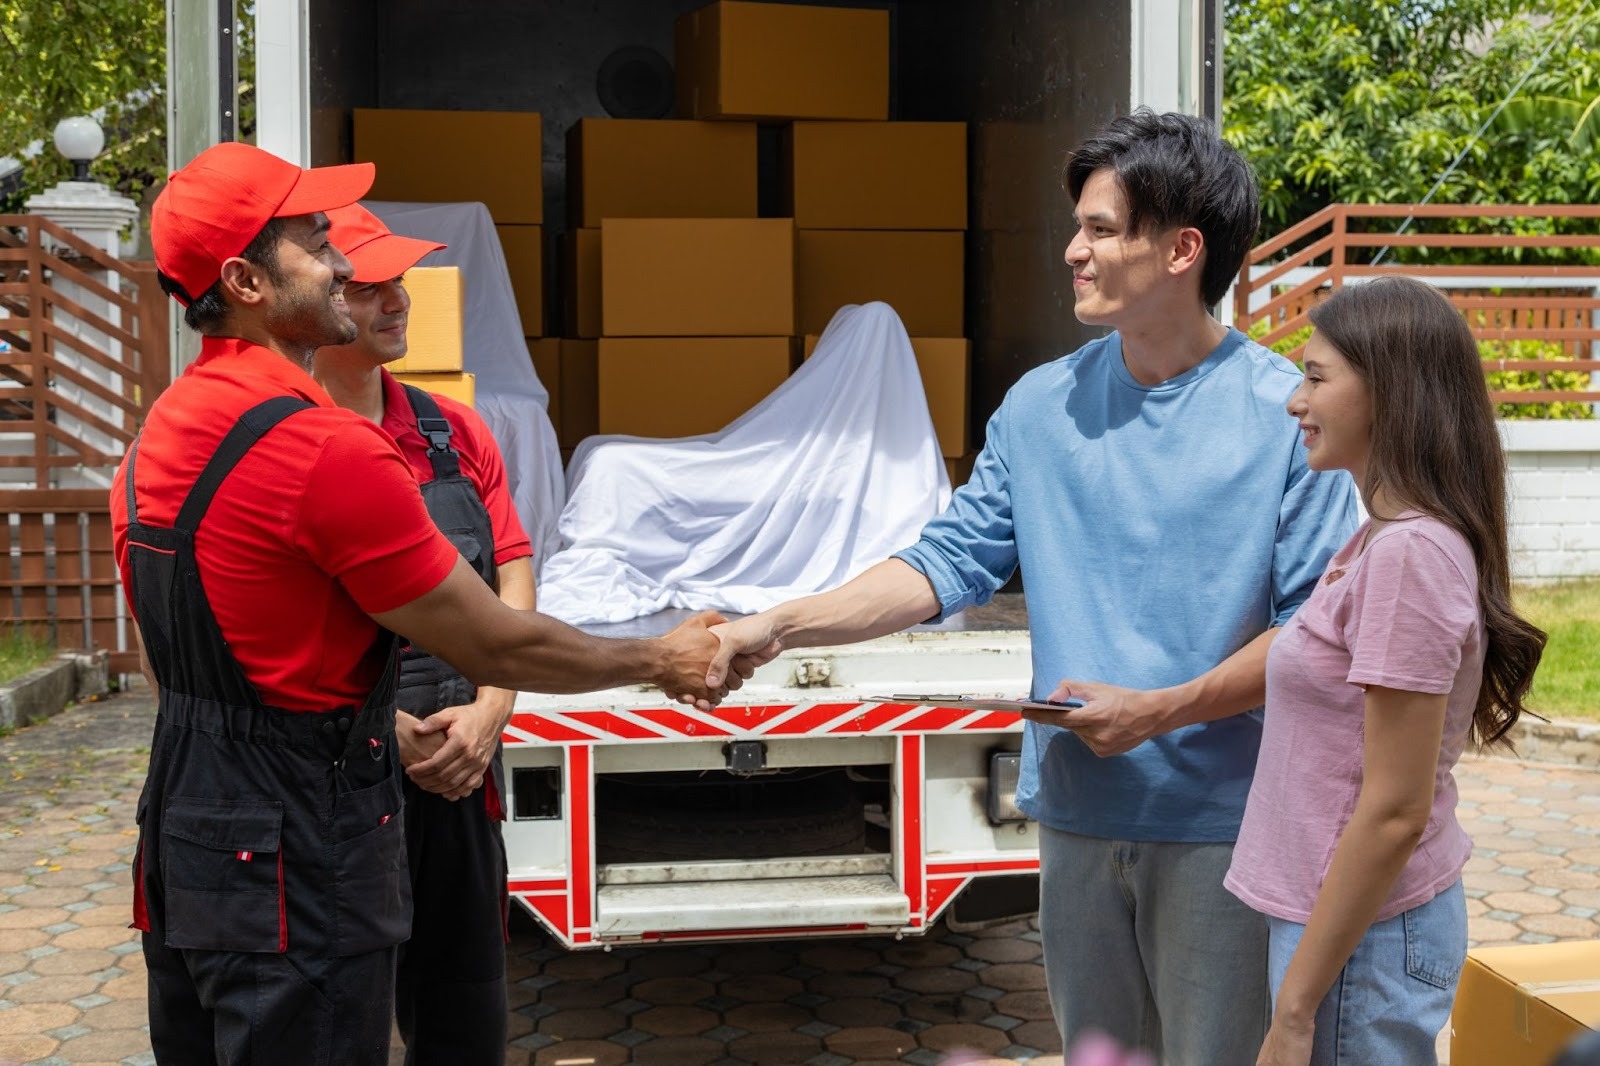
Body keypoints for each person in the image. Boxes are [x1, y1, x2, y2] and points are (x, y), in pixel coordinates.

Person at [703, 109, 1359, 1062]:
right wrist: (781, 626)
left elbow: (1314, 632)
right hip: (1079, 816)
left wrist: (1164, 709)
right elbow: (944, 562)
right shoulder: (1042, 404)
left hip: (1225, 828)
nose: (1072, 251)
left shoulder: (1284, 413)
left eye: (1099, 228)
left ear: (1181, 250)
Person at [113, 141, 762, 1065]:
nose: (342, 263)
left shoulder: (155, 438)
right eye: (314, 241)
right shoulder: (324, 450)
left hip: (190, 834)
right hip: (304, 835)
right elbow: (493, 640)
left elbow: (159, 657)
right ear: (246, 280)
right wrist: (656, 659)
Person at [1223, 278, 1546, 1065]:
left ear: (1390, 391)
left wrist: (1295, 1011)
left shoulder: (1410, 556)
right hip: (1348, 931)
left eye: (1317, 377)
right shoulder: (1382, 539)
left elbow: (1395, 808)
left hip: (1359, 945)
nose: (1295, 402)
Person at [315, 202, 526, 1065]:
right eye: (369, 286)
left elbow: (510, 571)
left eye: (399, 280)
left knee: (466, 1013)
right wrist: (375, 729)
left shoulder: (453, 431)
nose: (396, 299)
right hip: (337, 785)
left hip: (460, 772)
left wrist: (491, 713)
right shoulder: (289, 441)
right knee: (341, 1015)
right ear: (321, 299)